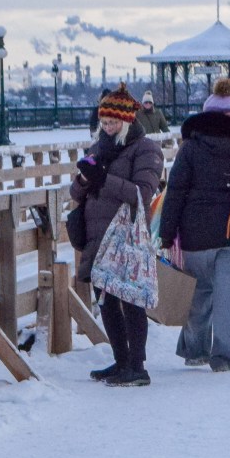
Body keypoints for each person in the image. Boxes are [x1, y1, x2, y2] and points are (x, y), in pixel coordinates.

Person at [158, 76, 230, 372]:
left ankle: (196, 350)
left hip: (196, 234)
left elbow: (175, 192)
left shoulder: (190, 148)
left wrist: (166, 235)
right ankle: (223, 357)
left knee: (198, 293)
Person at [70, 83, 164, 386]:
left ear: (125, 121)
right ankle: (121, 360)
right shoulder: (98, 147)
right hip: (98, 233)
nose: (107, 128)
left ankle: (137, 366)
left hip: (125, 236)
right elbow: (76, 190)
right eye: (104, 123)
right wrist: (85, 179)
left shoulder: (146, 149)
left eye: (112, 123)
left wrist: (104, 179)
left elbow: (142, 193)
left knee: (130, 298)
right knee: (106, 299)